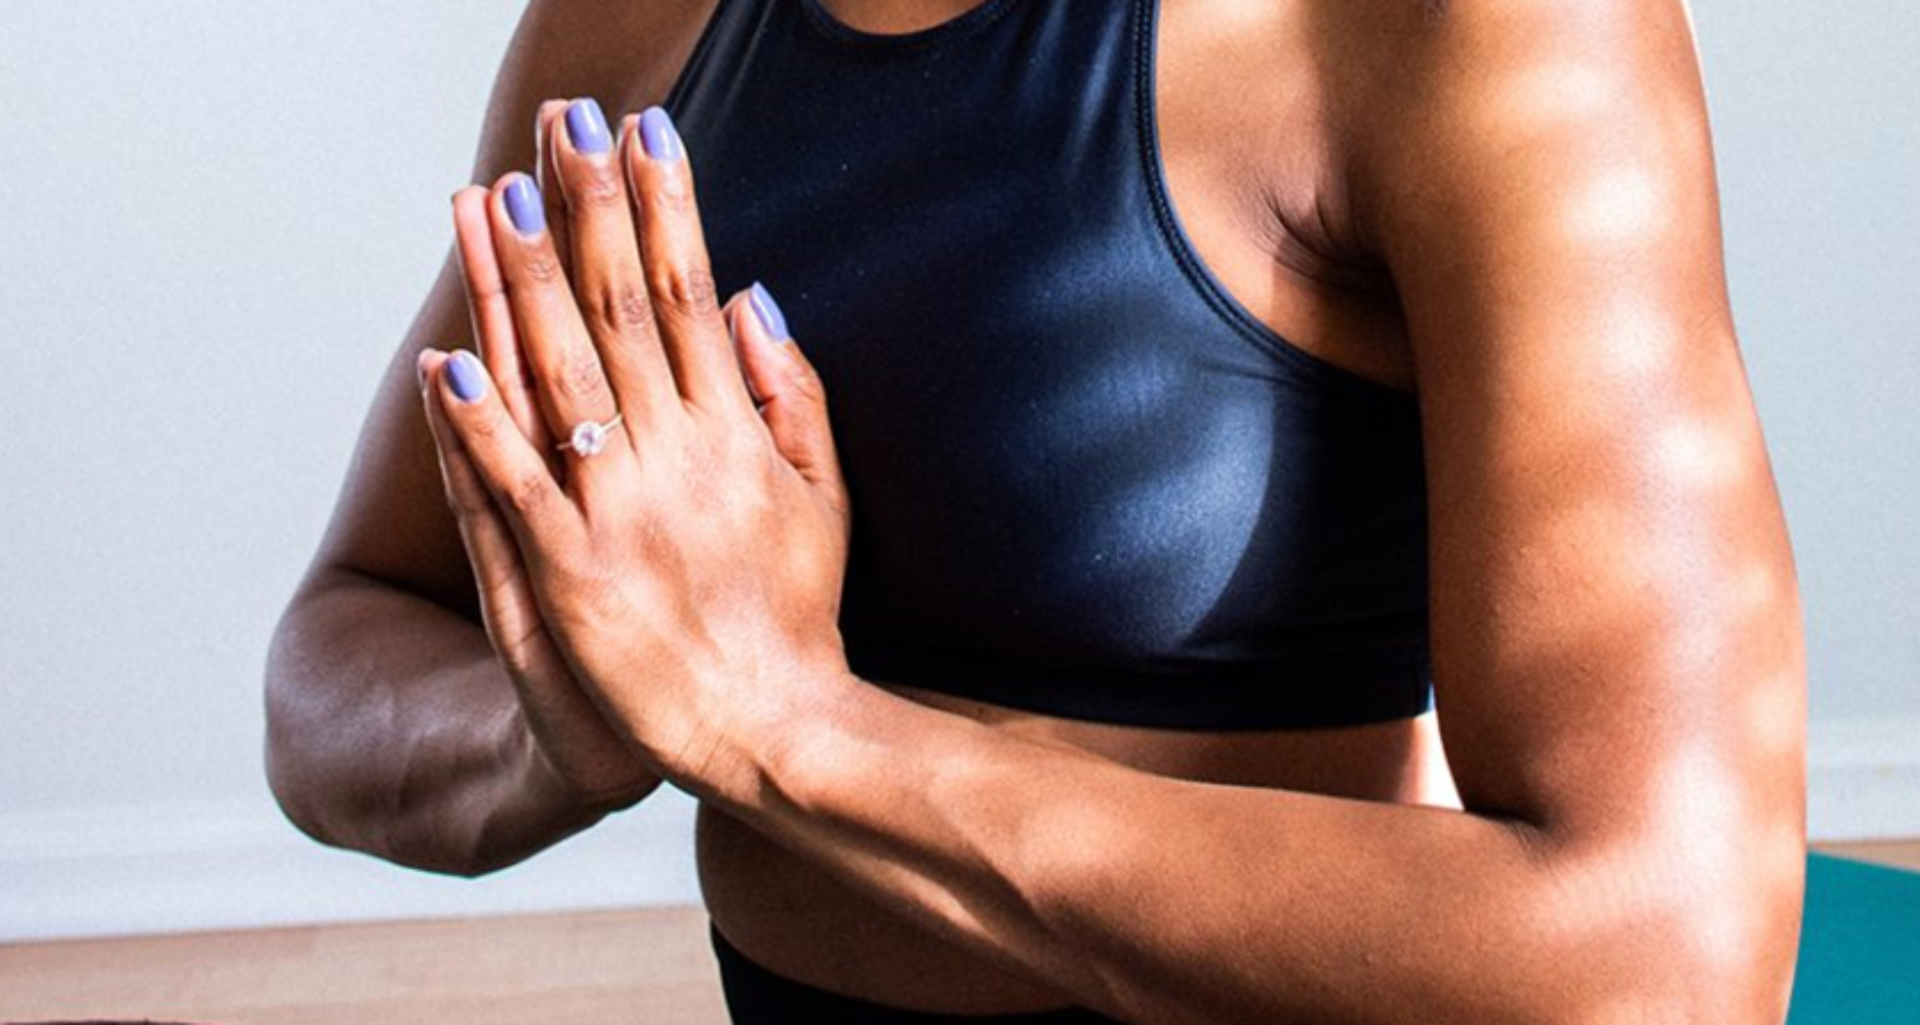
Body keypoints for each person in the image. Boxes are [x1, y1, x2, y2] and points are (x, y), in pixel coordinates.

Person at [265, 0, 1809, 1021]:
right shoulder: (638, 20)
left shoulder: (1477, 28)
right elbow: (344, 643)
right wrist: (571, 720)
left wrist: (793, 734)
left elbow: (1666, 942)